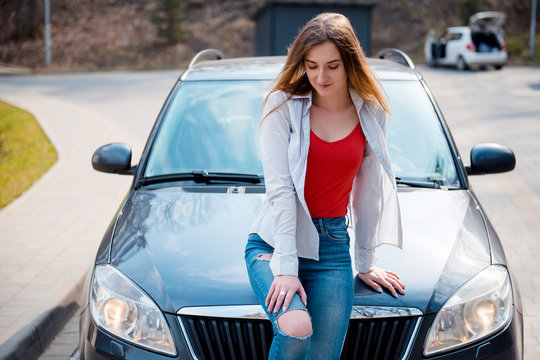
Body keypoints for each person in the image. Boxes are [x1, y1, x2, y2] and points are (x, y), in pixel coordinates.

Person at [244, 12, 405, 360]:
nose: (320, 76)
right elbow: (281, 190)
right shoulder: (283, 105)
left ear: (350, 63)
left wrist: (365, 261)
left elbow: (370, 190)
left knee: (323, 355)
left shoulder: (370, 110)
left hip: (332, 246)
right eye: (312, 65)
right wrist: (286, 270)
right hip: (273, 243)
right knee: (296, 326)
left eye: (332, 65)